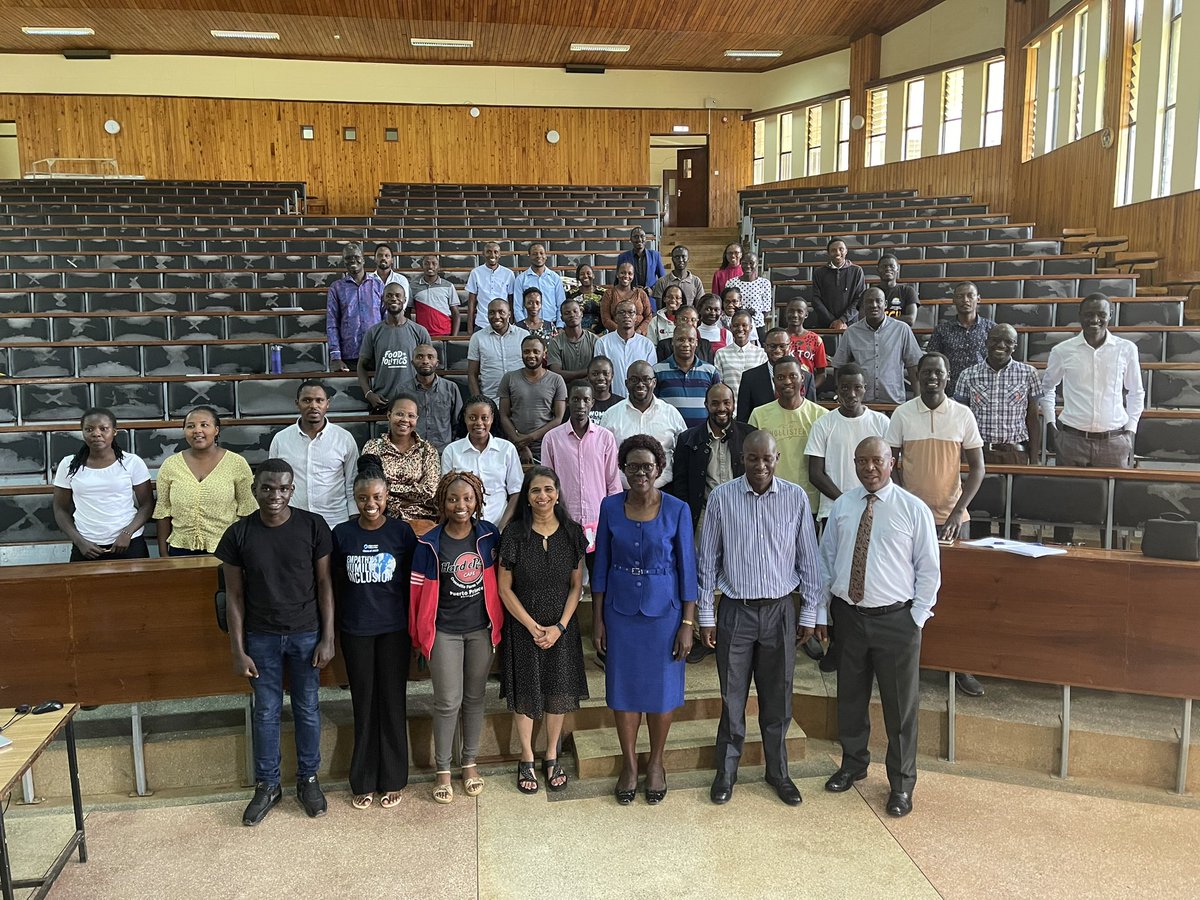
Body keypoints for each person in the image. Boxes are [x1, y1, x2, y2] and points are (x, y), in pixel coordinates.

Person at [809, 437, 940, 819]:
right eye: (862, 461)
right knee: (850, 697)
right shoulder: (843, 506)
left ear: (892, 462)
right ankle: (853, 764)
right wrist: (824, 611)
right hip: (849, 617)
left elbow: (928, 569)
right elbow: (826, 559)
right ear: (854, 464)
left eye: (877, 460)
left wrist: (916, 618)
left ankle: (901, 783)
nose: (869, 468)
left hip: (897, 621)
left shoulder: (913, 509)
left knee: (900, 708)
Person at [698, 430, 821, 806]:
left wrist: (810, 612)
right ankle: (726, 772)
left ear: (777, 458)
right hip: (736, 612)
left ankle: (778, 772)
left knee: (778, 699)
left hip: (780, 612)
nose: (761, 465)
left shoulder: (796, 498)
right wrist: (706, 615)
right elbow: (707, 561)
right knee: (732, 698)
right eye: (753, 458)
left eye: (767, 458)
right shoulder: (722, 498)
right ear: (742, 459)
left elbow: (809, 560)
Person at [217, 458, 335, 826]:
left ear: (292, 490)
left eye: (283, 488)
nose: (275, 495)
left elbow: (325, 584)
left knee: (307, 708)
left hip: (306, 634)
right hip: (261, 636)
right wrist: (237, 650)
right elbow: (234, 596)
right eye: (267, 488)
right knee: (265, 712)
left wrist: (328, 637)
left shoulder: (313, 526)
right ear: (254, 490)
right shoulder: (238, 534)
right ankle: (268, 784)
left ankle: (308, 779)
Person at [592, 435, 698, 805]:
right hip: (620, 614)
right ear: (623, 469)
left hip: (665, 617)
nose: (640, 473)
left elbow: (688, 570)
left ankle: (655, 763)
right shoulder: (609, 506)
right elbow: (601, 566)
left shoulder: (677, 509)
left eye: (647, 467)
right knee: (623, 691)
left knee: (662, 691)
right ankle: (629, 764)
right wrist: (598, 620)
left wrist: (688, 624)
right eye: (633, 466)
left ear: (659, 469)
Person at [885, 353, 985, 696]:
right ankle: (912, 662)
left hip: (951, 521)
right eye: (926, 371)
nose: (931, 377)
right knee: (908, 593)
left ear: (947, 376)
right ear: (918, 376)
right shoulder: (902, 414)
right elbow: (890, 465)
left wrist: (959, 511)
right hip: (911, 521)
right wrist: (905, 503)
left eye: (938, 372)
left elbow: (978, 468)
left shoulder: (962, 414)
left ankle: (959, 666)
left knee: (954, 596)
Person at [409, 470, 503, 803]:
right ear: (442, 503)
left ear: (477, 501)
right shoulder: (429, 543)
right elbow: (416, 593)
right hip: (444, 632)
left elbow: (502, 579)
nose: (460, 505)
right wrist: (419, 636)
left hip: (480, 630)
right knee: (448, 701)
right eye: (452, 499)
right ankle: (443, 770)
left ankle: (470, 763)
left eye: (467, 498)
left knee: (475, 698)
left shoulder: (489, 536)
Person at [498, 466, 590, 795]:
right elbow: (504, 588)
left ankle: (551, 755)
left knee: (557, 689)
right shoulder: (514, 534)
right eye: (536, 490)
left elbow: (576, 585)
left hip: (561, 626)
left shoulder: (572, 533)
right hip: (524, 625)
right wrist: (532, 626)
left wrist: (559, 627)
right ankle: (526, 757)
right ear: (527, 496)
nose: (543, 496)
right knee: (526, 691)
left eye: (549, 489)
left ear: (558, 493)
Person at [332, 456, 417, 811]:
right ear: (354, 498)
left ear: (387, 497)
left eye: (377, 497)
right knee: (364, 703)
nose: (371, 504)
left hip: (394, 631)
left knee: (392, 701)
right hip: (357, 631)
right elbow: (335, 584)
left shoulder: (401, 533)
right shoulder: (342, 534)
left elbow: (413, 584)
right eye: (363, 498)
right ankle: (363, 778)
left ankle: (393, 778)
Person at [1040, 293, 1144, 469]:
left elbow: (1136, 392)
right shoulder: (1062, 351)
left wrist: (1130, 432)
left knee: (1112, 488)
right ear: (1080, 316)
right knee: (1067, 488)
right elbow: (1047, 388)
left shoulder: (1126, 349)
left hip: (1114, 442)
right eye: (1089, 314)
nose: (1095, 320)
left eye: (1101, 314)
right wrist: (1051, 425)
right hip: (1071, 441)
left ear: (1110, 315)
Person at [53, 407, 154, 561]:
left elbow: (147, 505)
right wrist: (80, 542)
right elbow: (60, 509)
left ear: (114, 431)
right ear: (82, 432)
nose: (96, 433)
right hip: (86, 546)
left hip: (128, 543)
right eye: (89, 429)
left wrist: (127, 533)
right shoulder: (69, 464)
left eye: (103, 428)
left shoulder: (132, 462)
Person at [155, 405, 257, 556]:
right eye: (190, 426)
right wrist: (164, 555)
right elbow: (163, 512)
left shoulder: (237, 463)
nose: (197, 430)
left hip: (227, 549)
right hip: (180, 550)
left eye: (204, 425)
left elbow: (247, 510)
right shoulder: (170, 465)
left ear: (216, 430)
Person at [541, 382, 622, 569]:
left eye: (586, 400)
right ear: (568, 401)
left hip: (598, 520)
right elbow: (546, 484)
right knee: (567, 576)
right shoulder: (552, 439)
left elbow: (613, 483)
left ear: (592, 402)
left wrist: (613, 519)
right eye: (576, 399)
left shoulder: (605, 437)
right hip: (564, 521)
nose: (581, 405)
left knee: (598, 574)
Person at [805, 364, 891, 524]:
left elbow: (888, 468)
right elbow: (815, 474)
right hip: (834, 509)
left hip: (874, 508)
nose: (851, 394)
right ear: (837, 390)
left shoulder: (882, 422)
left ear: (865, 388)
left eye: (857, 387)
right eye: (845, 388)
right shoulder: (823, 424)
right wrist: (845, 501)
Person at [268, 380, 358, 529]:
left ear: (327, 404)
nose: (313, 405)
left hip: (335, 521)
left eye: (319, 400)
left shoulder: (344, 439)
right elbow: (274, 483)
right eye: (307, 400)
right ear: (297, 404)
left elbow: (351, 482)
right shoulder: (281, 439)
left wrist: (353, 518)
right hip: (293, 522)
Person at [670, 382, 757, 530]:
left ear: (733, 404)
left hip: (743, 514)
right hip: (704, 516)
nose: (721, 408)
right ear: (706, 405)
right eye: (715, 403)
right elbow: (680, 485)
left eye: (726, 403)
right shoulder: (687, 439)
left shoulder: (749, 435)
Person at [956, 323, 1043, 466]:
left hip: (1015, 453)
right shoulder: (968, 375)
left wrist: (1034, 459)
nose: (1001, 345)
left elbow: (1033, 419)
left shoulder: (1029, 374)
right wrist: (963, 457)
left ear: (1015, 346)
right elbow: (960, 421)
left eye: (1008, 341)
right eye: (995, 340)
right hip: (978, 452)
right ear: (986, 342)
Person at [748, 357, 829, 512]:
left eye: (792, 376)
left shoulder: (821, 416)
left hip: (810, 500)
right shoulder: (759, 414)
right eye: (780, 377)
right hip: (771, 500)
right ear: (773, 381)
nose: (787, 381)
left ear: (802, 378)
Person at [600, 360, 687, 489]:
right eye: (634, 380)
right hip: (622, 492)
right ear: (626, 383)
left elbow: (684, 454)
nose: (640, 384)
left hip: (664, 490)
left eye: (646, 379)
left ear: (654, 382)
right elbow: (601, 457)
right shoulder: (611, 415)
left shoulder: (671, 413)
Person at [830, 287, 923, 404]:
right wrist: (840, 394)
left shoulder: (902, 329)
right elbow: (839, 366)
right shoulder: (851, 332)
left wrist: (918, 397)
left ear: (885, 304)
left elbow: (913, 366)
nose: (874, 305)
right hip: (862, 403)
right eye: (869, 301)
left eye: (878, 301)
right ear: (863, 305)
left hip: (894, 401)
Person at [441, 396, 523, 528]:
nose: (479, 423)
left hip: (500, 522)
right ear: (465, 418)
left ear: (492, 418)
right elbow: (446, 493)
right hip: (463, 526)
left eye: (484, 418)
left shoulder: (507, 449)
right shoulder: (451, 451)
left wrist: (503, 527)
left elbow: (516, 492)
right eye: (472, 418)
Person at [361, 395, 440, 527]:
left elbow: (429, 492)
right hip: (383, 520)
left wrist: (388, 489)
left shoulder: (428, 450)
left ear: (416, 419)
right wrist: (412, 492)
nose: (405, 420)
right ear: (389, 415)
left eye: (411, 416)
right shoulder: (373, 447)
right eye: (399, 414)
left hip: (421, 520)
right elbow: (369, 487)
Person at [358, 281, 433, 413]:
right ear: (383, 299)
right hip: (382, 401)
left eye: (398, 295)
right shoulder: (373, 332)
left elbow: (429, 367)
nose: (394, 298)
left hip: (413, 401)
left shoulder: (420, 331)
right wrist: (368, 394)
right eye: (389, 295)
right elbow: (361, 365)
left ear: (404, 299)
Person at [499, 334, 568, 463]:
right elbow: (503, 416)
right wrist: (521, 444)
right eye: (526, 351)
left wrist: (530, 437)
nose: (531, 355)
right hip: (515, 446)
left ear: (544, 354)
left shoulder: (556, 380)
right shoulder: (509, 378)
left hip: (546, 445)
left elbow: (558, 419)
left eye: (536, 351)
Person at [926, 282, 996, 395]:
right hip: (951, 391)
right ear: (953, 300)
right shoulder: (941, 330)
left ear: (978, 299)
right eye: (960, 296)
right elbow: (933, 361)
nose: (965, 300)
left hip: (984, 390)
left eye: (970, 295)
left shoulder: (991, 329)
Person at [327, 241, 383, 372]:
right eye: (348, 258)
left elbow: (387, 319)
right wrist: (336, 356)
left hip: (377, 352)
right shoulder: (336, 288)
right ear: (344, 262)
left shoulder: (378, 285)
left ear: (363, 259)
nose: (353, 260)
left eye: (356, 257)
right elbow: (332, 323)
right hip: (350, 355)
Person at [653, 324, 722, 429]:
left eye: (691, 340)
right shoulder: (657, 371)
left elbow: (718, 405)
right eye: (681, 339)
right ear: (672, 342)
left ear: (696, 343)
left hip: (702, 435)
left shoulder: (710, 371)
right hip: (668, 433)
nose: (686, 344)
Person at [467, 298, 529, 405]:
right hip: (490, 401)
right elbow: (472, 374)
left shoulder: (523, 335)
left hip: (521, 400)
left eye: (501, 312)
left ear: (509, 314)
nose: (496, 316)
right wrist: (478, 402)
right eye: (492, 312)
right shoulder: (477, 338)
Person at [594, 301, 657, 398]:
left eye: (631, 312)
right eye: (622, 312)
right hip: (612, 400)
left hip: (640, 400)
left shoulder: (647, 345)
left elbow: (650, 376)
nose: (626, 316)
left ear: (636, 317)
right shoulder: (603, 343)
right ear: (615, 318)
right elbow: (600, 375)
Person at [411, 343, 463, 453]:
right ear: (412, 362)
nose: (425, 361)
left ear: (437, 363)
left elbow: (459, 423)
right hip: (412, 453)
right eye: (420, 357)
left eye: (430, 357)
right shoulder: (402, 390)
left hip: (443, 452)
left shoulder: (451, 388)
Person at [811, 238, 865, 331]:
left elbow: (859, 299)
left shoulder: (857, 271)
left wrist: (842, 320)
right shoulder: (819, 273)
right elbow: (816, 299)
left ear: (846, 251)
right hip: (826, 324)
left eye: (841, 249)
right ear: (828, 253)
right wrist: (833, 321)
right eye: (833, 250)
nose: (838, 253)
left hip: (851, 324)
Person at [714, 310, 768, 404]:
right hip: (731, 409)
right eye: (736, 325)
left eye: (744, 325)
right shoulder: (721, 354)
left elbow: (764, 385)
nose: (740, 329)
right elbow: (719, 385)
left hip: (755, 408)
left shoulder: (761, 354)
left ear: (751, 328)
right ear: (731, 328)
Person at [465, 240, 515, 333]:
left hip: (503, 323)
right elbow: (471, 303)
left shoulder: (508, 274)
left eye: (496, 252)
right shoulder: (475, 273)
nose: (492, 255)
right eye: (488, 252)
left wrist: (511, 323)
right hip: (482, 323)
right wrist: (470, 329)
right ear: (483, 254)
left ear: (500, 254)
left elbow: (511, 301)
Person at [546, 298, 599, 383]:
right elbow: (556, 373)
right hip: (565, 389)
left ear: (581, 314)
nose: (572, 315)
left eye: (575, 311)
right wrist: (588, 372)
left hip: (591, 388)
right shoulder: (555, 342)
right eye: (567, 313)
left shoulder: (594, 340)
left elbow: (598, 370)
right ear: (562, 318)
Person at [512, 242, 565, 324]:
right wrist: (523, 326)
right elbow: (517, 307)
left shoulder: (555, 278)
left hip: (552, 323)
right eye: (534, 254)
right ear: (529, 256)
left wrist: (560, 325)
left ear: (546, 256)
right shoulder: (520, 279)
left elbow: (561, 305)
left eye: (541, 253)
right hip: (529, 325)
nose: (539, 256)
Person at [408, 254, 460, 337]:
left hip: (445, 334)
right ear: (422, 266)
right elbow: (407, 312)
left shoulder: (449, 286)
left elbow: (456, 314)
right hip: (422, 335)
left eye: (434, 263)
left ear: (439, 266)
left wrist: (453, 337)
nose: (430, 266)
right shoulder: (412, 286)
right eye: (426, 263)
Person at [785, 299, 829, 392]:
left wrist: (810, 389)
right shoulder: (779, 338)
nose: (795, 315)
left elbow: (822, 374)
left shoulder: (815, 340)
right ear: (786, 313)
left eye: (800, 311)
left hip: (806, 391)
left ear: (806, 314)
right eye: (791, 311)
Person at [600, 261, 653, 334]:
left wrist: (638, 331)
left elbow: (649, 316)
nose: (626, 276)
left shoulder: (641, 293)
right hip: (616, 334)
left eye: (630, 273)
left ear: (633, 276)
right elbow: (606, 319)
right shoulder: (609, 294)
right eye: (622, 273)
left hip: (640, 335)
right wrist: (623, 332)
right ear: (617, 274)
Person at [734, 251, 774, 331]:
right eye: (744, 263)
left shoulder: (764, 283)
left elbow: (766, 310)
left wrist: (754, 319)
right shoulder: (731, 283)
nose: (748, 266)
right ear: (740, 264)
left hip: (757, 325)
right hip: (738, 326)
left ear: (757, 264)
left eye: (751, 263)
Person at [615, 226, 664, 291]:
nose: (639, 239)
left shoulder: (655, 255)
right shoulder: (623, 257)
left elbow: (663, 280)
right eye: (636, 237)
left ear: (645, 239)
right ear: (631, 239)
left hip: (650, 295)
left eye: (642, 236)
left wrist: (653, 290)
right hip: (630, 295)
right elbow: (617, 281)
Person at [877, 255, 919, 326]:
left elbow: (910, 320)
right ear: (878, 270)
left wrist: (880, 320)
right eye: (884, 266)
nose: (888, 269)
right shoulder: (870, 293)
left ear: (897, 269)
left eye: (892, 266)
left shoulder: (908, 291)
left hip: (900, 332)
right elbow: (863, 319)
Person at [565, 262, 605, 334]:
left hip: (600, 331)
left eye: (588, 273)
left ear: (593, 275)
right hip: (577, 332)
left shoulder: (603, 293)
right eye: (582, 274)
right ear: (578, 277)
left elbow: (607, 315)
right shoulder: (571, 294)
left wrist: (596, 330)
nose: (585, 276)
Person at [587, 355, 622, 423]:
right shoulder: (583, 403)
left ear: (612, 376)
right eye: (595, 374)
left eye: (606, 374)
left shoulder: (621, 404)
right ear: (588, 376)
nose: (601, 378)